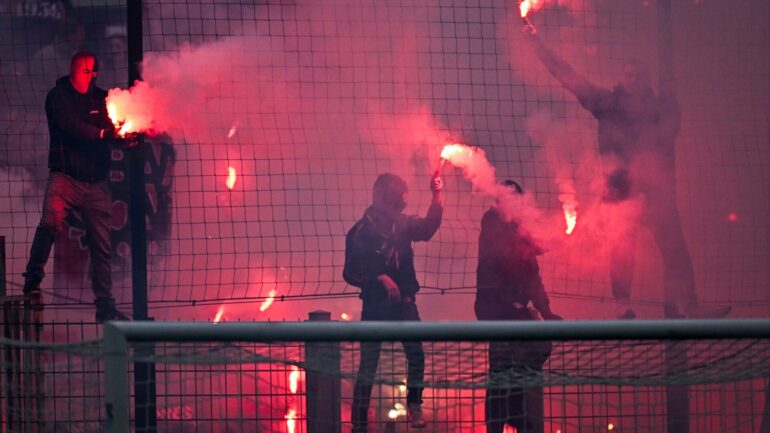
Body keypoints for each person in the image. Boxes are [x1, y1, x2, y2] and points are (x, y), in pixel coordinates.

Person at [522, 22, 730, 319]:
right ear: (621, 78)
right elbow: (568, 76)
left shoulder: (659, 109)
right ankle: (623, 305)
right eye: (628, 74)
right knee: (622, 246)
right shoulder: (608, 103)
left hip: (655, 189)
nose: (633, 79)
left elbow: (672, 126)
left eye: (639, 74)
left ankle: (688, 304)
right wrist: (537, 44)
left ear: (647, 81)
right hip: (620, 189)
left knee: (675, 247)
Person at [23, 50, 133, 323]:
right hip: (65, 178)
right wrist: (102, 134)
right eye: (87, 70)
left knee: (101, 247)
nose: (93, 75)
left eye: (95, 70)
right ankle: (32, 281)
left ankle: (105, 306)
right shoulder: (57, 97)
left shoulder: (102, 99)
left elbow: (112, 128)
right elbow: (71, 126)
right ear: (74, 70)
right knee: (49, 224)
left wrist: (126, 135)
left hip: (95, 182)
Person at [343, 172, 444, 432]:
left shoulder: (403, 224)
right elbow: (350, 272)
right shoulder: (361, 231)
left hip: (405, 304)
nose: (401, 201)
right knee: (368, 364)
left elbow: (428, 227)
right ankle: (359, 424)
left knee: (416, 355)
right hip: (376, 305)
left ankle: (414, 404)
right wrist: (379, 278)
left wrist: (437, 195)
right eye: (397, 195)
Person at [475, 180, 561, 433]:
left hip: (515, 309)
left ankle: (513, 412)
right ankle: (499, 421)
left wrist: (545, 311)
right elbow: (505, 253)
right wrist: (541, 243)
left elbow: (533, 275)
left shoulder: (519, 228)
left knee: (526, 356)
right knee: (501, 368)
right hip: (496, 309)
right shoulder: (493, 221)